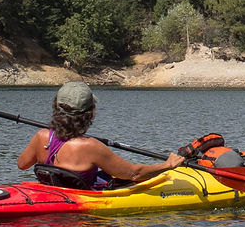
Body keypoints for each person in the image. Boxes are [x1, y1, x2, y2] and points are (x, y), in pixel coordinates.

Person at [16, 81, 183, 189]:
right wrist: (167, 165)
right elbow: (134, 174)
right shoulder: (91, 146)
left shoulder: (41, 136)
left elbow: (22, 164)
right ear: (89, 112)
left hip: (50, 201)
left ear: (56, 107)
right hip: (80, 222)